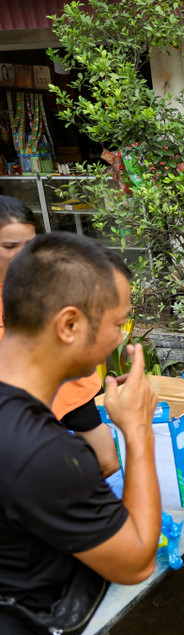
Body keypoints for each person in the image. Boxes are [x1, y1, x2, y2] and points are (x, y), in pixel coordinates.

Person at [0, 232, 160, 635]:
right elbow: (137, 559)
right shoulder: (44, 453)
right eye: (118, 323)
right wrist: (138, 428)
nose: (121, 339)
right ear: (69, 324)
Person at [0, 196, 119, 478]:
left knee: (107, 463)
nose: (22, 255)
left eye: (30, 244)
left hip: (71, 390)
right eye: (9, 247)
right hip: (20, 407)